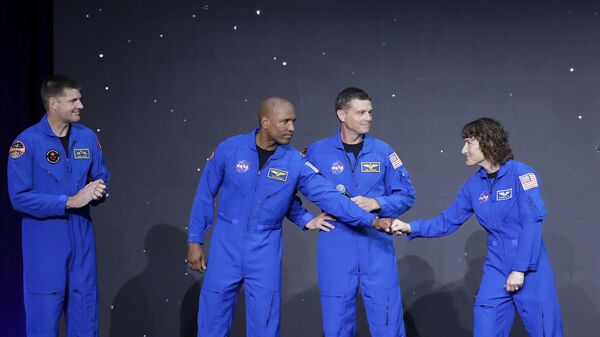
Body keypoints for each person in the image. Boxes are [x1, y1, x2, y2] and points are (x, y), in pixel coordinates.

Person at [186, 97, 396, 337]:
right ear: (266, 122)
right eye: (284, 121)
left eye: (293, 121)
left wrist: (370, 220)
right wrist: (195, 240)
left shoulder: (295, 162)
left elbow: (330, 198)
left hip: (265, 247)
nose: (292, 128)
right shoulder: (229, 149)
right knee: (212, 318)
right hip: (226, 245)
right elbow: (204, 195)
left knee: (264, 322)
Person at [392, 117, 564, 336]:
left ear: (488, 142)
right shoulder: (474, 185)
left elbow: (532, 223)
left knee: (546, 330)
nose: (463, 150)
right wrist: (409, 227)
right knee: (486, 328)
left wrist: (520, 269)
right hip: (496, 267)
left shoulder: (522, 175)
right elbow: (446, 221)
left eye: (469, 143)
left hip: (531, 268)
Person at [304, 87, 415, 336]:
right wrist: (306, 219)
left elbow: (407, 195)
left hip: (375, 244)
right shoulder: (316, 152)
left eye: (370, 112)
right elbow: (286, 192)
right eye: (361, 112)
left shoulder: (383, 151)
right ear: (341, 114)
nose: (369, 117)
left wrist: (376, 203)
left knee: (387, 319)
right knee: (337, 322)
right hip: (336, 243)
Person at [7, 75, 110, 336]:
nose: (81, 105)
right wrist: (69, 201)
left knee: (86, 320)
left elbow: (101, 175)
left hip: (82, 241)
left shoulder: (87, 138)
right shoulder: (26, 143)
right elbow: (19, 197)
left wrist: (98, 190)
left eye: (80, 99)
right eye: (73, 100)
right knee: (43, 324)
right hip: (45, 245)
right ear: (53, 103)